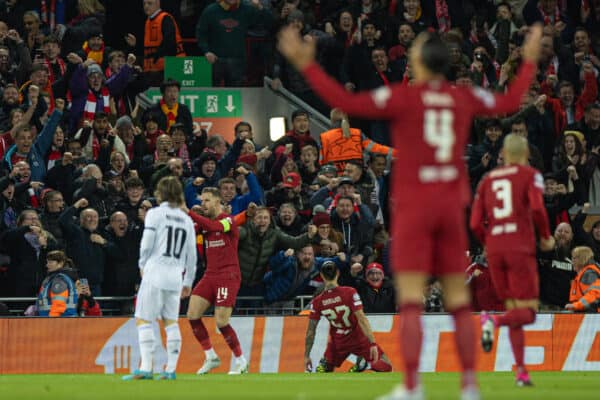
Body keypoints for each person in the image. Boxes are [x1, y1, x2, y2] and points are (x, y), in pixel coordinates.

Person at [277, 22, 543, 399]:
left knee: (413, 302)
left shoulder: (403, 96)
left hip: (416, 208)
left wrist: (308, 65)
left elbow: (347, 103)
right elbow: (508, 101)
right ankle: (469, 386)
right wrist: (528, 62)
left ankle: (413, 385)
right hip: (450, 207)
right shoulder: (462, 97)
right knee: (457, 302)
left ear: (417, 62)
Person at [470, 134, 555, 386]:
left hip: (495, 250)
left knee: (515, 309)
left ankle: (521, 371)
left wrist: (489, 242)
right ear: (526, 154)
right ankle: (492, 321)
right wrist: (546, 237)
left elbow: (474, 223)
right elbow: (538, 208)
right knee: (528, 312)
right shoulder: (530, 175)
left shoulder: (487, 180)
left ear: (504, 154)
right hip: (520, 248)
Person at [123, 176, 196, 381]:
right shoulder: (187, 220)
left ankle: (146, 368)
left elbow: (147, 243)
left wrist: (142, 264)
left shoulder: (155, 214)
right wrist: (188, 281)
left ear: (160, 193)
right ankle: (170, 370)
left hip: (155, 271)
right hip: (175, 276)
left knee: (143, 319)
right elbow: (192, 255)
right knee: (171, 322)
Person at [186, 187, 248, 375]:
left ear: (217, 202)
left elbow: (215, 227)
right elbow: (190, 231)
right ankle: (211, 356)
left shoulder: (228, 221)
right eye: (201, 201)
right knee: (192, 315)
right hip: (209, 275)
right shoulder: (203, 225)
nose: (202, 204)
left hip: (227, 276)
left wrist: (188, 212)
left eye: (206, 201)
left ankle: (241, 361)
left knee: (221, 321)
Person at [304, 261, 392, 373]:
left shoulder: (317, 301)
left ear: (321, 275)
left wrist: (306, 356)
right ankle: (362, 364)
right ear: (338, 273)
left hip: (337, 342)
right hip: (358, 338)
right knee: (386, 366)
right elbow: (362, 318)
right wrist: (372, 343)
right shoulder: (349, 292)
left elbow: (311, 332)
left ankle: (326, 363)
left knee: (325, 371)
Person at [142, 0, 186, 86]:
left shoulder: (165, 18)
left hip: (168, 67)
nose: (146, 6)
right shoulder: (148, 21)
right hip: (154, 68)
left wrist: (156, 57)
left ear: (158, 3)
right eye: (144, 4)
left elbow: (169, 42)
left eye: (149, 3)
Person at [37, 250, 79, 317]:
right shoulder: (55, 278)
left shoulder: (60, 279)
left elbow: (58, 304)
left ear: (60, 263)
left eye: (50, 262)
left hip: (59, 321)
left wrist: (52, 321)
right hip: (61, 320)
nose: (47, 265)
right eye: (47, 262)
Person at [565, 246, 600, 312]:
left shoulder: (589, 274)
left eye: (574, 258)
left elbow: (594, 296)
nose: (572, 261)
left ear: (582, 259)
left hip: (594, 316)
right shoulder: (586, 273)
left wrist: (575, 305)